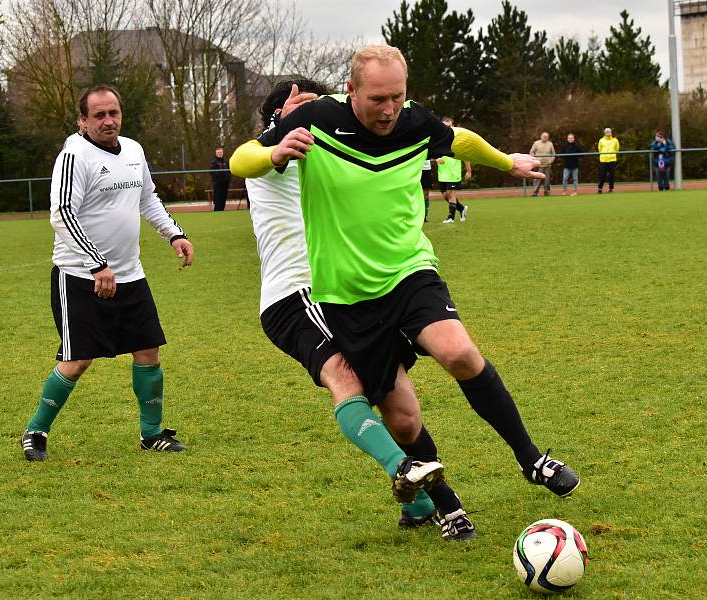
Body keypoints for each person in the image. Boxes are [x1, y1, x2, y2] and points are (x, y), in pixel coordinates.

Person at [231, 45, 580, 514]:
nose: (390, 109)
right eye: (378, 99)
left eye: (398, 96)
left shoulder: (413, 119)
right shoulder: (315, 119)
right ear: (351, 90)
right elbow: (241, 159)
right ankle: (445, 507)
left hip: (409, 271)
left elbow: (458, 139)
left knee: (459, 352)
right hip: (347, 296)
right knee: (402, 415)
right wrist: (273, 150)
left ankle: (532, 458)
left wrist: (507, 162)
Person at [245, 79, 474, 540]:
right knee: (343, 378)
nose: (314, 120)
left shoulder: (339, 148)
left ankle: (418, 507)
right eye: (301, 112)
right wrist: (278, 127)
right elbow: (249, 157)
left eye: (318, 109)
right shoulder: (269, 155)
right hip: (295, 295)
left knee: (404, 412)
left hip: (350, 293)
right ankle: (422, 484)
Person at [21, 84, 194, 462]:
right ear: (82, 120)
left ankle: (151, 434)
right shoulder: (74, 155)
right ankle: (35, 431)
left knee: (148, 350)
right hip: (79, 276)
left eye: (113, 113)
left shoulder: (133, 150)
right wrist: (97, 263)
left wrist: (174, 234)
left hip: (130, 274)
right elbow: (62, 213)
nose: (108, 120)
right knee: (77, 361)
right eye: (98, 115)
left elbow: (148, 198)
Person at [436, 118, 472, 223]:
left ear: (452, 126)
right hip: (442, 173)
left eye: (449, 126)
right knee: (445, 195)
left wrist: (468, 171)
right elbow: (432, 153)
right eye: (444, 126)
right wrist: (436, 159)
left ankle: (450, 217)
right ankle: (461, 208)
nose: (447, 128)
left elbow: (465, 156)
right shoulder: (438, 139)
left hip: (453, 172)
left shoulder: (457, 140)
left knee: (451, 193)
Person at [529, 132, 555, 197]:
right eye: (544, 136)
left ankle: (547, 193)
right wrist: (534, 160)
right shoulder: (536, 143)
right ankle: (535, 193)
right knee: (537, 179)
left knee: (547, 180)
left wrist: (551, 160)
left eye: (546, 137)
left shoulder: (550, 144)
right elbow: (532, 152)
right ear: (541, 136)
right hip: (538, 165)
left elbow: (553, 153)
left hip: (547, 165)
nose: (545, 138)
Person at [597, 127, 619, 193]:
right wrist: (604, 155)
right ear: (604, 133)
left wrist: (612, 155)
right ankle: (600, 188)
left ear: (611, 132)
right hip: (603, 160)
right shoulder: (601, 140)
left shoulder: (615, 140)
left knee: (611, 175)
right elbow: (599, 149)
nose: (608, 133)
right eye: (606, 132)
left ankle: (611, 188)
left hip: (612, 160)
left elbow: (617, 149)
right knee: (602, 174)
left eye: (609, 132)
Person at [210, 146, 231, 211]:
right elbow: (211, 172)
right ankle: (217, 210)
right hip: (218, 183)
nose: (219, 153)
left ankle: (222, 209)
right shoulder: (214, 162)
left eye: (221, 152)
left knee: (223, 197)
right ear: (216, 153)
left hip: (225, 182)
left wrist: (228, 178)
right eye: (218, 152)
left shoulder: (226, 161)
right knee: (217, 197)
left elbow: (229, 171)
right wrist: (216, 179)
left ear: (223, 153)